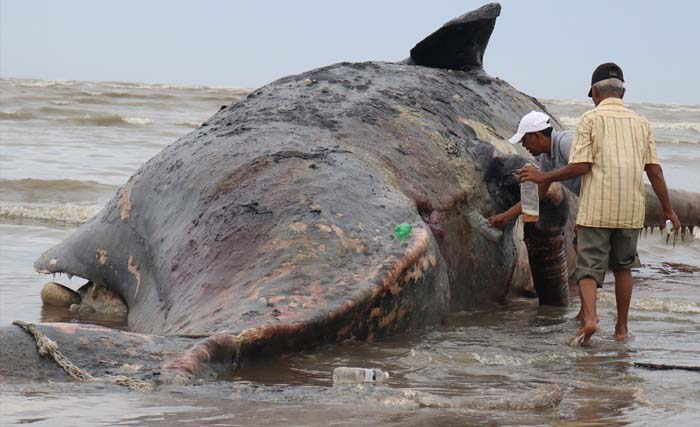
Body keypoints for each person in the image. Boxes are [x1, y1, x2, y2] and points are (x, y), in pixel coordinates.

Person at [519, 62, 680, 346]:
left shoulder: (589, 121)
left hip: (598, 208)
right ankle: (621, 329)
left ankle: (591, 318)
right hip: (631, 210)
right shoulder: (642, 123)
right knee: (623, 267)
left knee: (588, 267)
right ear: (623, 92)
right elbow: (654, 170)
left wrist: (542, 175)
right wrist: (668, 209)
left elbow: (580, 166)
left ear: (594, 92)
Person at [488, 111, 580, 229]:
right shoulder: (546, 159)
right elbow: (537, 195)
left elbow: (581, 167)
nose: (523, 146)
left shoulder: (565, 141)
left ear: (536, 135)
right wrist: (505, 216)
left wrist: (542, 176)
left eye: (524, 140)